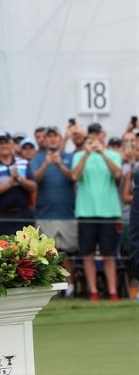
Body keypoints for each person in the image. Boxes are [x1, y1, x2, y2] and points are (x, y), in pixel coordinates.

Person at [71, 123, 122, 302]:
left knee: (109, 254)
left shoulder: (114, 154)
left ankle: (112, 291)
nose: (95, 137)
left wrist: (102, 153)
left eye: (97, 134)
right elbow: (75, 176)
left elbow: (117, 175)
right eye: (91, 134)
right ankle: (93, 291)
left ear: (103, 135)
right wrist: (87, 153)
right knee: (88, 254)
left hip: (109, 211)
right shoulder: (78, 155)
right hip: (86, 211)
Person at [30, 127, 76, 296]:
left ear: (59, 139)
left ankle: (70, 288)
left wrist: (59, 164)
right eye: (48, 137)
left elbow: (73, 176)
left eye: (54, 136)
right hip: (45, 214)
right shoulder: (38, 158)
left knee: (68, 253)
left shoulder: (69, 157)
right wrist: (47, 163)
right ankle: (52, 288)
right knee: (48, 254)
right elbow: (35, 178)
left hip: (66, 213)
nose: (52, 140)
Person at [0, 131, 37, 236]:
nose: (4, 145)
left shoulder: (23, 163)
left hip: (23, 215)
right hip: (1, 216)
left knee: (26, 250)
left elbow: (33, 187)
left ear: (12, 144)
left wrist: (19, 179)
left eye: (6, 142)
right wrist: (8, 184)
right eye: (1, 143)